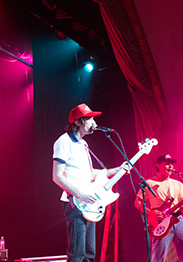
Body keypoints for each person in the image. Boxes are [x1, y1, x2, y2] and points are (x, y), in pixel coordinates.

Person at [52, 103, 129, 262]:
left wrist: (118, 169)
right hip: (75, 202)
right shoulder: (64, 141)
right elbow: (57, 176)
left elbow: (90, 173)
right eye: (91, 119)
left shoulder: (83, 144)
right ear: (79, 122)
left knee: (89, 255)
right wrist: (81, 194)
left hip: (88, 203)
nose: (94, 123)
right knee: (77, 254)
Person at [134, 154, 183, 262]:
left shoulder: (178, 184)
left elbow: (182, 205)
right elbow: (137, 202)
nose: (170, 166)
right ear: (158, 166)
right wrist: (151, 213)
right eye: (167, 164)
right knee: (158, 257)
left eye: (171, 164)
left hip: (178, 220)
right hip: (160, 222)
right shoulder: (149, 183)